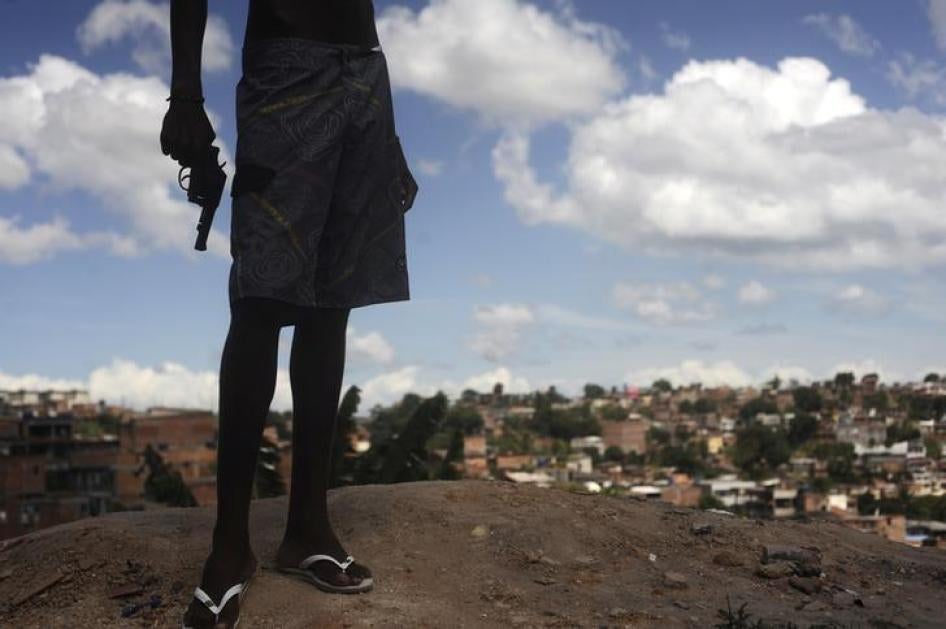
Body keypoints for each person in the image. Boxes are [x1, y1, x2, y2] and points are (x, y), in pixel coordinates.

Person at [160, 1, 417, 627]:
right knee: (261, 301)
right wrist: (186, 95)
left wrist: (382, 121)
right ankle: (230, 545)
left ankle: (307, 526)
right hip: (285, 67)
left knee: (333, 303)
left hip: (365, 72)